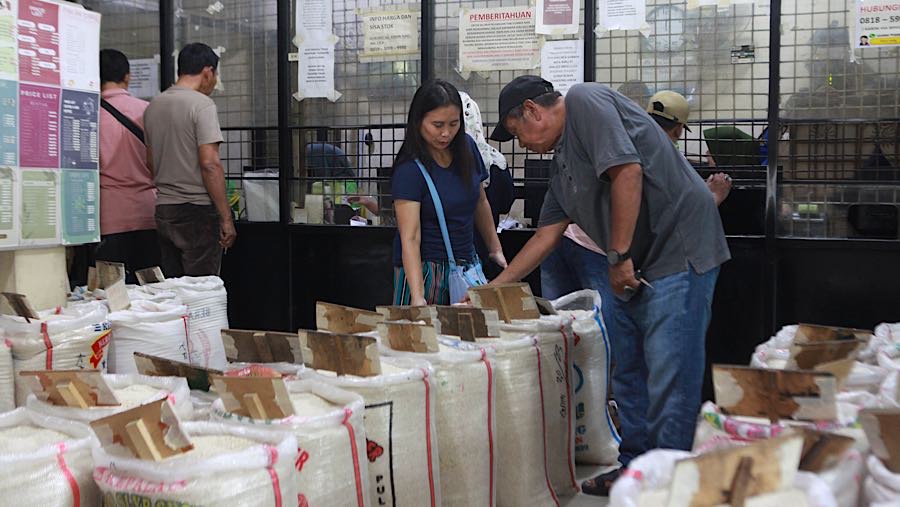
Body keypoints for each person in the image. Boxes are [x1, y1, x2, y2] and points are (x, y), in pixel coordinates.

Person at [488, 76, 730, 495]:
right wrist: (491, 290)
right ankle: (635, 468)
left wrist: (617, 257)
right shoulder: (561, 167)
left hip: (678, 249)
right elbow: (545, 236)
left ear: (532, 110)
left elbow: (626, 171)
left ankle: (666, 482)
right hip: (630, 261)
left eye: (516, 132)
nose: (521, 143)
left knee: (670, 369)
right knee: (628, 369)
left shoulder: (585, 100)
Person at [541, 90, 732, 300]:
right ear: (678, 130)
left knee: (564, 321)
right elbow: (665, 207)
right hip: (603, 251)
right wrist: (714, 197)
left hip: (567, 238)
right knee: (605, 321)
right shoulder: (663, 156)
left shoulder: (616, 134)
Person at [392, 79, 507, 306]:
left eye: (453, 124)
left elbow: (480, 201)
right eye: (437, 125)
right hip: (426, 272)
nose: (446, 133)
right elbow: (410, 238)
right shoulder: (409, 169)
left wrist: (495, 249)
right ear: (418, 122)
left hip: (468, 266)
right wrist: (417, 296)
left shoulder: (467, 147)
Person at [144, 42, 235, 277]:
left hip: (164, 209)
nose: (214, 83)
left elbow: (151, 163)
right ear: (207, 72)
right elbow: (210, 164)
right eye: (214, 75)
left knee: (174, 289)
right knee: (200, 292)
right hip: (197, 213)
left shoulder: (154, 105)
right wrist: (226, 217)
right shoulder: (202, 105)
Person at [96, 49, 160, 283]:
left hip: (108, 214)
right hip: (147, 212)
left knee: (111, 291)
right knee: (150, 289)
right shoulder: (147, 110)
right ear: (127, 76)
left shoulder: (88, 113)